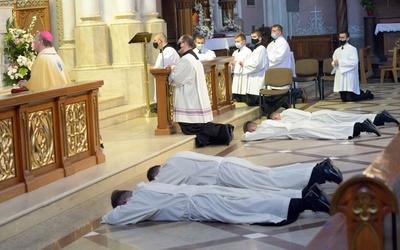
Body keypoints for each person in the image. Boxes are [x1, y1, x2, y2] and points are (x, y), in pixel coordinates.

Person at [102, 181, 331, 226]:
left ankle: (305, 203)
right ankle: (303, 196)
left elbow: (113, 218)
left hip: (200, 204)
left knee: (246, 209)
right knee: (250, 197)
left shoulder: (137, 200)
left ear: (124, 201)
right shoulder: (148, 187)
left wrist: (107, 214)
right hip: (202, 191)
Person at [146, 151, 343, 193]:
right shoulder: (178, 156)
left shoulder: (170, 166)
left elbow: (162, 187)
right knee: (269, 176)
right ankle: (316, 172)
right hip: (228, 167)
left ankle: (319, 171)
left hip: (226, 173)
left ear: (158, 172)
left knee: (270, 180)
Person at [168, 35, 233, 147]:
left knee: (190, 126)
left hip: (189, 99)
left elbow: (177, 78)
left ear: (184, 44)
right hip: (194, 96)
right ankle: (216, 135)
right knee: (193, 126)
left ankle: (224, 131)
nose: (178, 45)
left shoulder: (186, 60)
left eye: (180, 42)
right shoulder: (193, 58)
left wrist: (173, 68)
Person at [266, 24, 307, 105]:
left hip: (280, 68)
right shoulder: (271, 44)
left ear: (280, 32)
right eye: (271, 31)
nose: (272, 33)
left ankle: (299, 92)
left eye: (274, 31)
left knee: (282, 89)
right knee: (275, 89)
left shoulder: (283, 43)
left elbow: (279, 57)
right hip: (272, 68)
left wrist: (268, 61)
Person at [242, 118, 381, 141]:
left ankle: (361, 126)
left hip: (295, 130)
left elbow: (246, 137)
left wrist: (249, 131)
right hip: (297, 126)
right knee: (327, 128)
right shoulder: (267, 123)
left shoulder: (261, 129)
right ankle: (360, 126)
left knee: (326, 132)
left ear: (252, 128)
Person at [332, 31, 374, 102]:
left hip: (349, 74)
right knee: (344, 99)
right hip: (341, 75)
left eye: (343, 37)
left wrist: (340, 62)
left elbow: (354, 62)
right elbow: (334, 60)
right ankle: (360, 92)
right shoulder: (337, 50)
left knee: (350, 98)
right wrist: (334, 63)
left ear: (347, 38)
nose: (341, 39)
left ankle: (368, 95)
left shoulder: (352, 49)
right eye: (340, 37)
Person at [267, 109, 399, 126]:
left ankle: (380, 117)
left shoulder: (285, 118)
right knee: (349, 117)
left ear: (275, 118)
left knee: (349, 120)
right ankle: (379, 117)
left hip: (320, 119)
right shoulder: (288, 110)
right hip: (319, 114)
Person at [241, 30, 269, 106]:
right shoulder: (256, 49)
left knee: (256, 98)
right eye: (251, 37)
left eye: (254, 37)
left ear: (259, 38)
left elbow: (256, 65)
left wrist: (245, 64)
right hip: (254, 76)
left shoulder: (261, 49)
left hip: (258, 76)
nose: (252, 39)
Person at [231, 32, 252, 102]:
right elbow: (232, 62)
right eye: (235, 41)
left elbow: (248, 64)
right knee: (236, 87)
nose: (236, 43)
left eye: (238, 41)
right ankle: (236, 97)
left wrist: (237, 64)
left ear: (243, 41)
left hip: (243, 74)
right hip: (237, 73)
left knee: (243, 88)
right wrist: (232, 64)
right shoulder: (235, 52)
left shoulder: (248, 52)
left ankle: (243, 97)